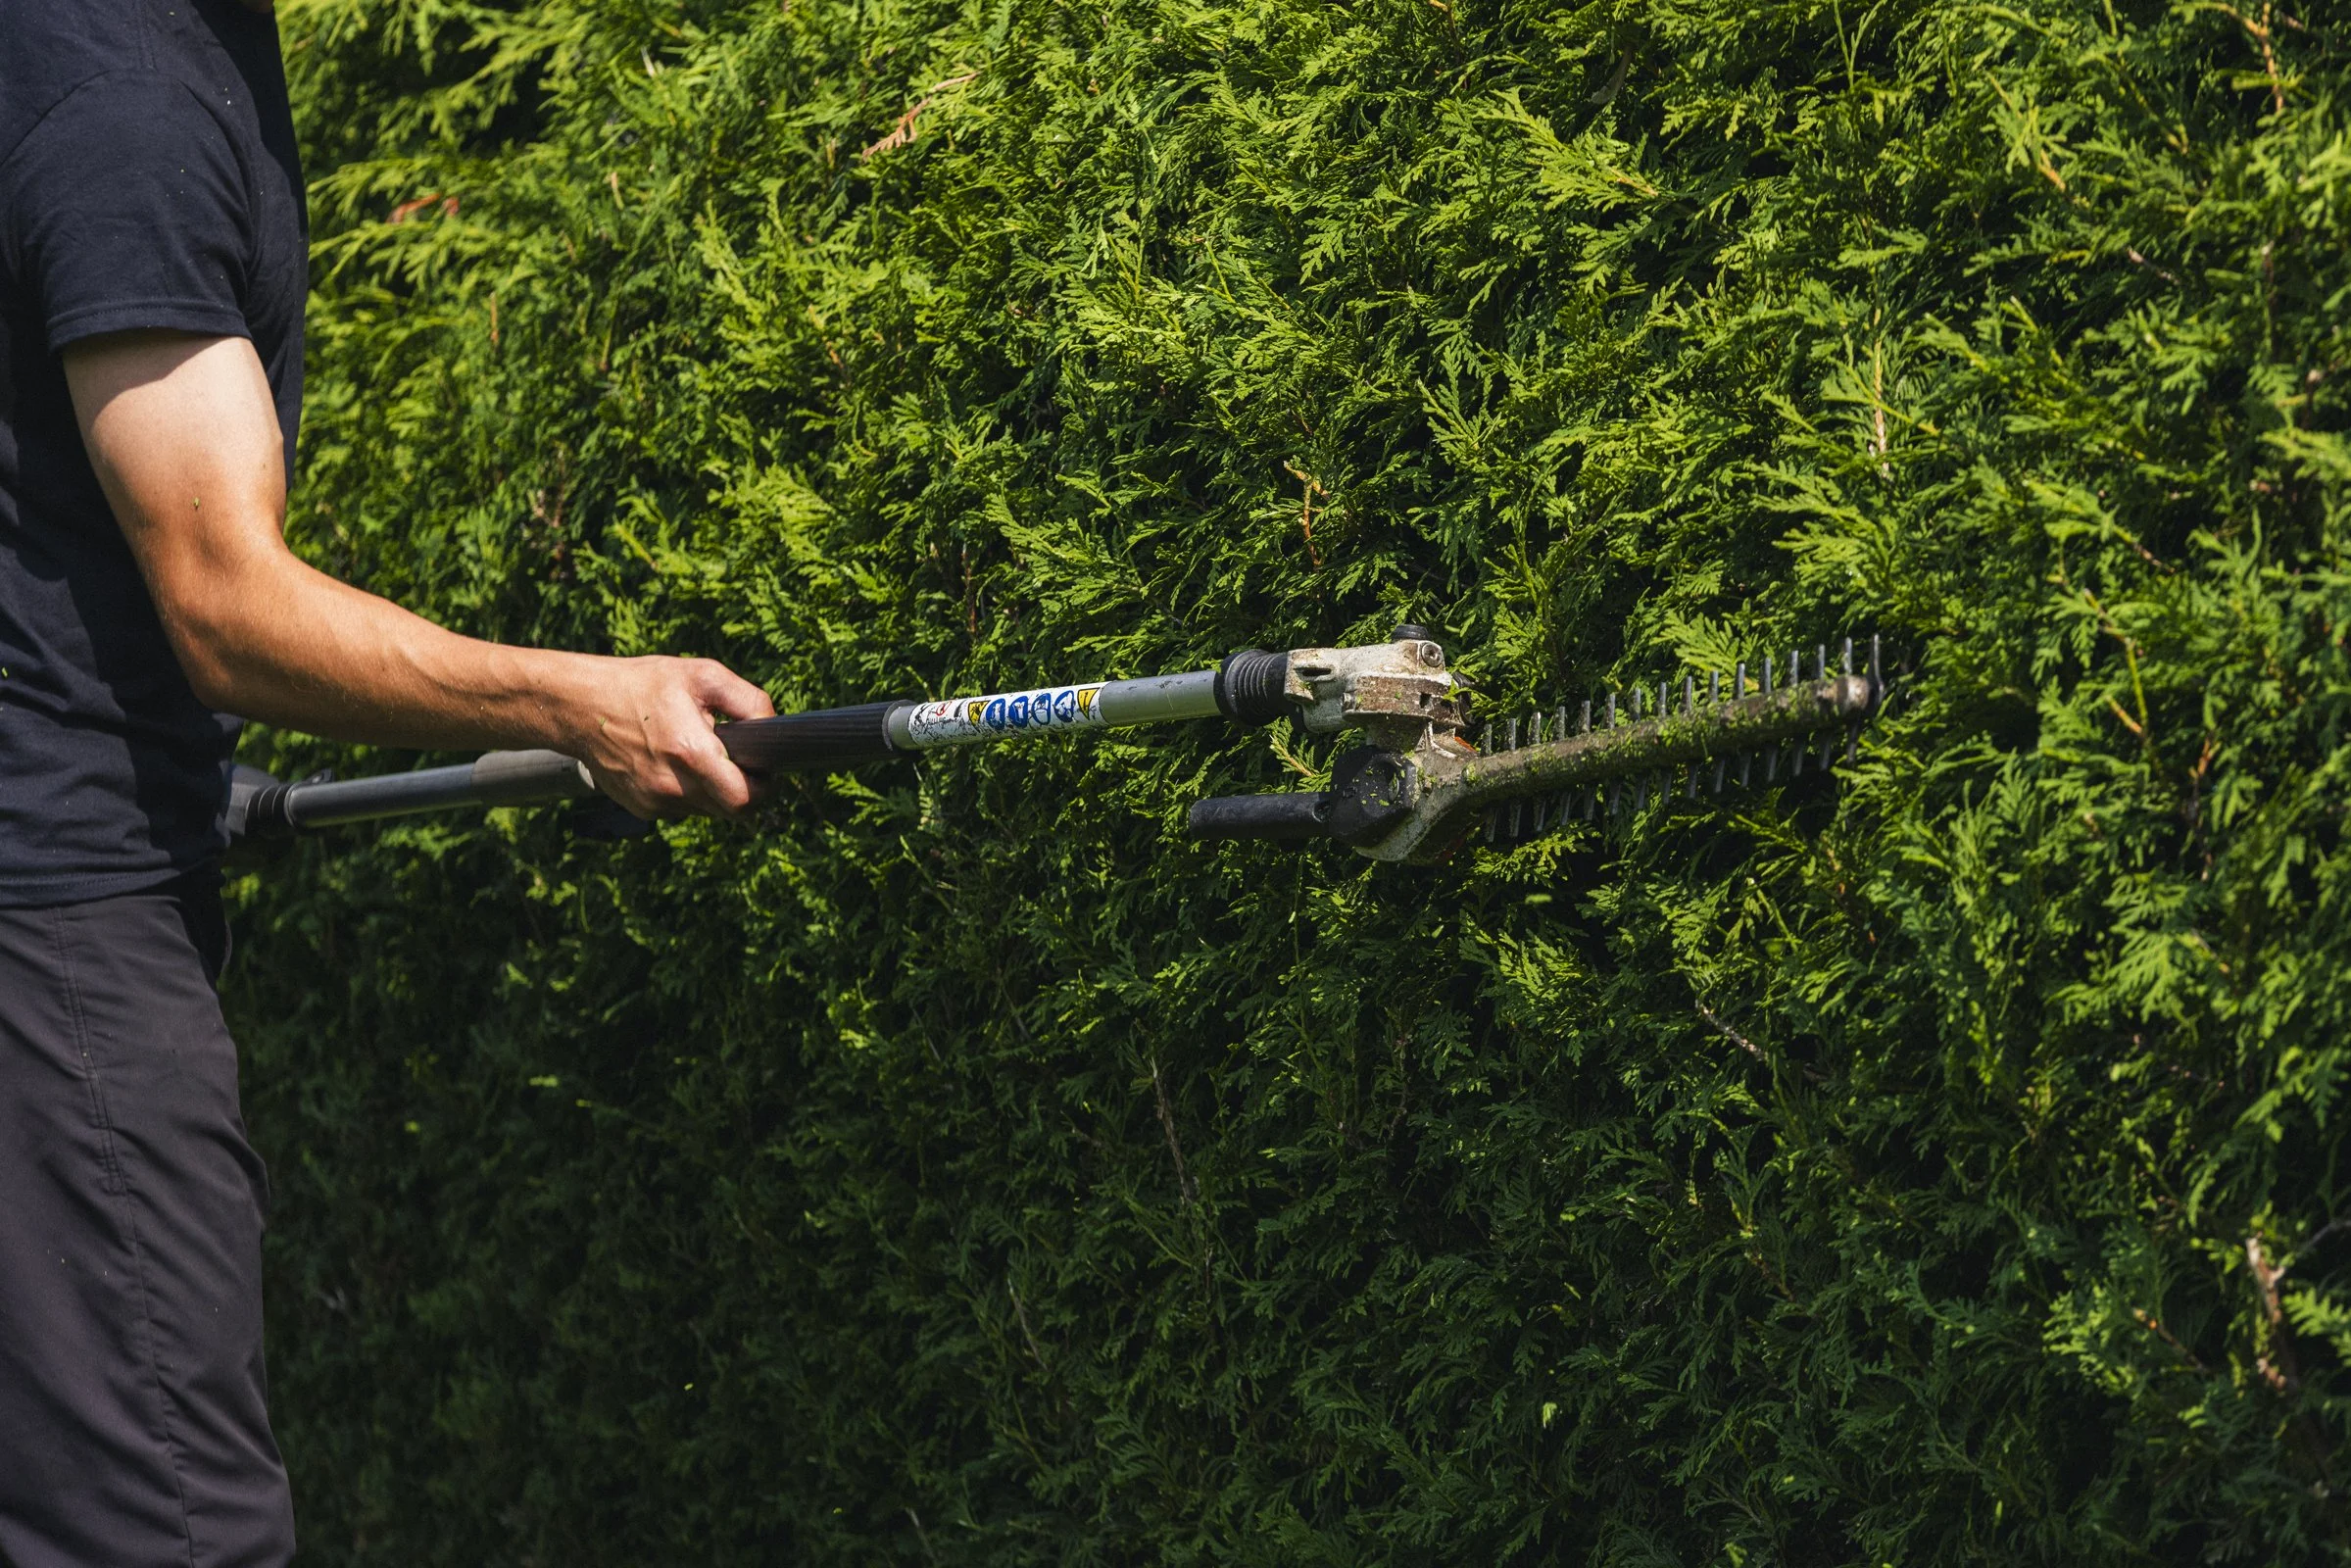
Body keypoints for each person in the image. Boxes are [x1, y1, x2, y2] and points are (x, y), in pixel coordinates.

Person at [0, 1, 774, 1561]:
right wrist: (578, 700)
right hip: (57, 925)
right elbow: (224, 601)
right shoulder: (129, 116)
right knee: (166, 1524)